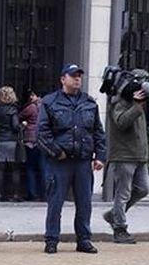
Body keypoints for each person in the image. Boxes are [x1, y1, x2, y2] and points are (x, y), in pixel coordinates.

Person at [37, 63, 106, 254]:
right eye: (73, 75)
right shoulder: (50, 102)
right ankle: (52, 239)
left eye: (79, 76)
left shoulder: (89, 103)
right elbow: (42, 132)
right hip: (59, 162)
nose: (77, 79)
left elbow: (98, 132)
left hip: (83, 161)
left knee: (85, 203)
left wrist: (100, 156)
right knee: (55, 203)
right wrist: (57, 151)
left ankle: (84, 239)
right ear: (63, 79)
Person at [103, 71, 149, 245]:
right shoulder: (118, 102)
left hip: (139, 156)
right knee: (123, 194)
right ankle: (120, 229)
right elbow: (121, 122)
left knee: (143, 189)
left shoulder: (137, 102)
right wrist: (137, 106)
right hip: (124, 155)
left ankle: (114, 215)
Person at [0, 85, 25, 201]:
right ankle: (16, 194)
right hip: (11, 140)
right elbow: (15, 126)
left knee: (0, 169)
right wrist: (23, 125)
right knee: (14, 169)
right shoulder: (13, 110)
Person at [19, 90, 44, 200]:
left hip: (31, 140)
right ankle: (45, 194)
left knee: (30, 167)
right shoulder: (44, 106)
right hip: (42, 140)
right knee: (43, 167)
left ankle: (32, 193)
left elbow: (19, 116)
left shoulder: (31, 107)